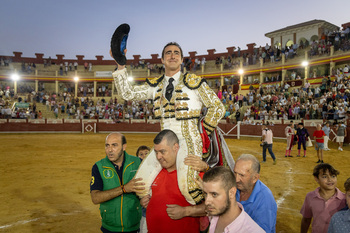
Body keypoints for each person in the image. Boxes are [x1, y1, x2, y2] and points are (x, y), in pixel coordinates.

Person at [111, 42, 225, 205]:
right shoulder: (156, 85)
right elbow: (128, 94)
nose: (172, 55)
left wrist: (203, 131)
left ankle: (205, 222)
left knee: (189, 187)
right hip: (164, 140)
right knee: (140, 185)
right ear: (163, 60)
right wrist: (121, 66)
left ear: (181, 60)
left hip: (189, 138)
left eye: (176, 53)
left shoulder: (194, 82)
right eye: (168, 53)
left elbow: (217, 107)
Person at [140, 129, 206, 233]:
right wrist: (145, 200)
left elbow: (214, 206)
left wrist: (185, 211)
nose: (158, 157)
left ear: (176, 148)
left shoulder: (192, 173)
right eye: (156, 152)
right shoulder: (154, 173)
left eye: (162, 152)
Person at [90, 132, 145, 233]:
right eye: (107, 145)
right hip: (109, 228)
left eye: (114, 145)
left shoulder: (138, 163)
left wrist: (145, 198)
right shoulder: (98, 166)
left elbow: (150, 187)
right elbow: (95, 198)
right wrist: (124, 189)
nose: (110, 150)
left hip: (133, 226)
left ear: (124, 147)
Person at [202, 166, 264, 233]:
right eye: (205, 194)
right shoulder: (214, 213)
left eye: (214, 194)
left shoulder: (250, 230)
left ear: (232, 192)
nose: (207, 202)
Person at [233, 154, 277, 233]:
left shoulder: (265, 200)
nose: (236, 179)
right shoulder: (233, 187)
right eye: (235, 173)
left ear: (255, 178)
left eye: (242, 175)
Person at [300, 163, 346, 233]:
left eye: (333, 176)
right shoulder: (310, 197)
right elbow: (306, 219)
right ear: (316, 179)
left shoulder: (345, 199)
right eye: (325, 177)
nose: (330, 179)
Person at [135, 145, 150, 233]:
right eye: (141, 154)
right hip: (141, 211)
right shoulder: (134, 172)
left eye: (146, 154)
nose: (144, 156)